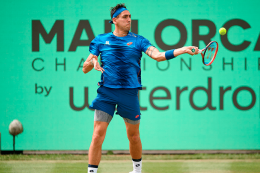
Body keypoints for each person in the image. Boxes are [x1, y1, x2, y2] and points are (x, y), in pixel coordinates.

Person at [82, 3, 198, 173]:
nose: (129, 19)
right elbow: (85, 68)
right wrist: (92, 61)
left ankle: (137, 170)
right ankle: (91, 172)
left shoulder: (138, 40)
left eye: (130, 16)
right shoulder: (100, 40)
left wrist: (183, 49)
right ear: (114, 20)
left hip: (129, 93)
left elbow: (158, 56)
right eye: (125, 17)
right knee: (97, 135)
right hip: (106, 92)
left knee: (134, 136)